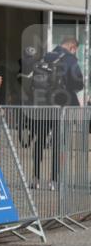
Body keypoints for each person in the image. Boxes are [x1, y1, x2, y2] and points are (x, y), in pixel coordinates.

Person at [31, 38, 84, 189]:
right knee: (60, 144)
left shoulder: (45, 56)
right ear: (73, 47)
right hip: (61, 108)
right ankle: (53, 181)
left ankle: (35, 179)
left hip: (42, 107)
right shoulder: (69, 60)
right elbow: (78, 84)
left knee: (40, 140)